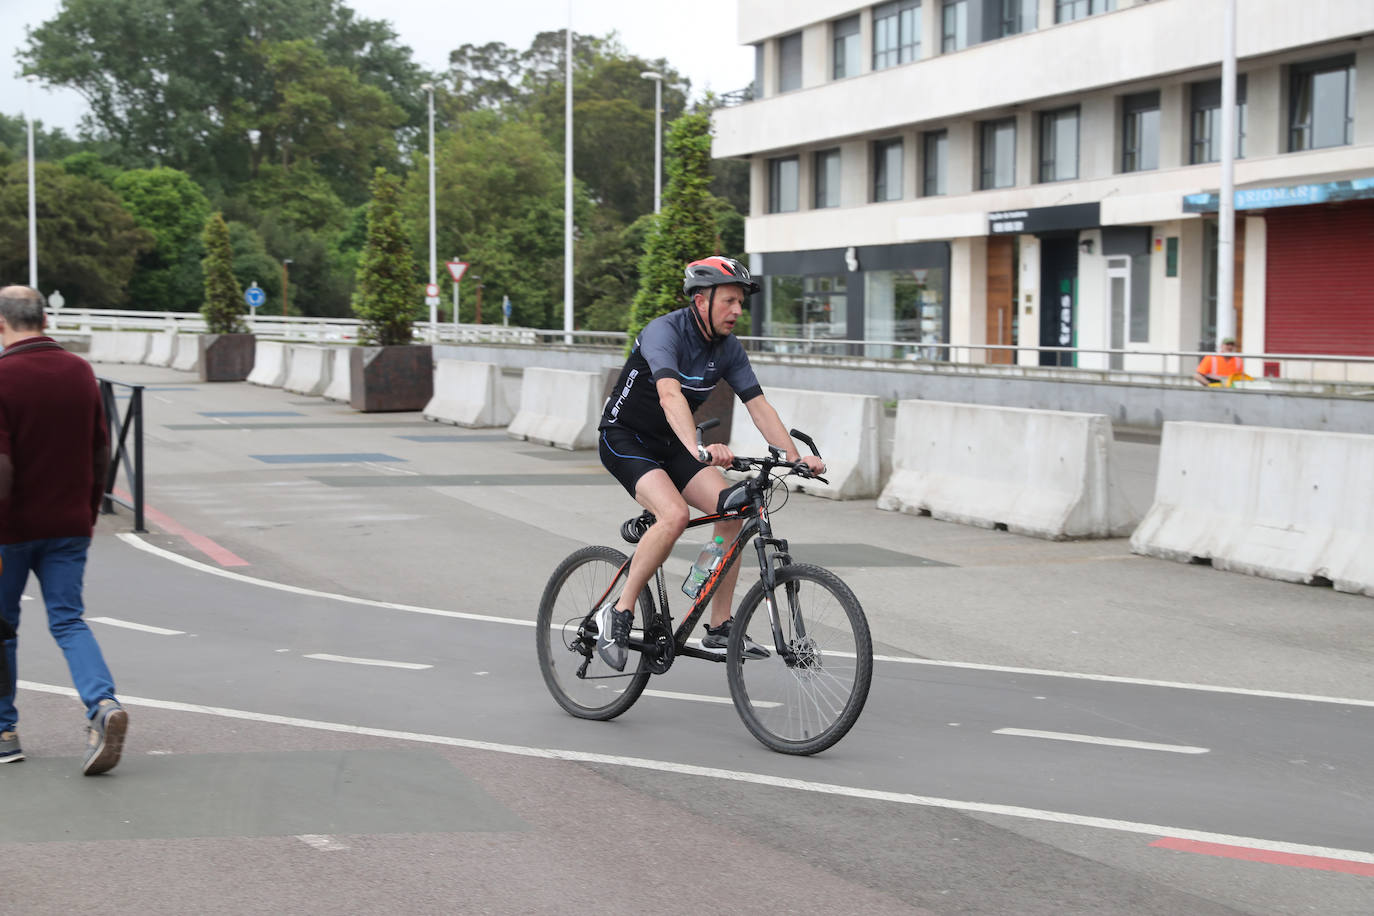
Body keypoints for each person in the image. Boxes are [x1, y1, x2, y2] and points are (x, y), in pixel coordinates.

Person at [594, 257, 825, 671]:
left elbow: (759, 406)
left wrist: (796, 458)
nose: (737, 311)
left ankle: (718, 625)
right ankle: (619, 612)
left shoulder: (729, 349)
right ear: (701, 300)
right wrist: (698, 447)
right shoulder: (663, 332)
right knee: (674, 514)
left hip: (674, 443)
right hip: (626, 438)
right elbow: (669, 396)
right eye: (730, 301)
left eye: (741, 302)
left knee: (733, 510)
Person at [0, 285, 128, 774]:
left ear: (2, 324)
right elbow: (101, 451)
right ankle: (102, 705)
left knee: (2, 629)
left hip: (11, 530)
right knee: (69, 620)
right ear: (45, 321)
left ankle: (5, 732)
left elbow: (2, 468)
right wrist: (88, 512)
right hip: (70, 524)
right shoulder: (80, 372)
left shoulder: (3, 377)